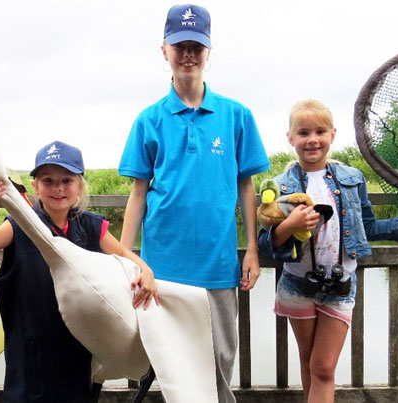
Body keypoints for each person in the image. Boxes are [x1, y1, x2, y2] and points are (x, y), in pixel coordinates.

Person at [118, 4, 270, 402]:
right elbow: (137, 194)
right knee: (170, 367)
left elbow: (247, 186)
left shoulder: (237, 116)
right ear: (164, 49)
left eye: (196, 47)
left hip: (218, 266)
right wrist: (127, 258)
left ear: (208, 52)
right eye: (180, 46)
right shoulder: (148, 120)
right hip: (161, 269)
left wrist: (251, 249)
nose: (188, 55)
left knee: (219, 362)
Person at [258, 99, 398, 402]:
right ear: (290, 138)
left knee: (323, 367)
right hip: (297, 286)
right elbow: (265, 245)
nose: (312, 139)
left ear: (333, 134)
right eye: (303, 133)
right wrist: (290, 225)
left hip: (340, 286)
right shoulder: (278, 186)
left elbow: (368, 228)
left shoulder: (351, 179)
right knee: (308, 363)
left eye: (319, 131)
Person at [0, 140, 158, 403]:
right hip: (31, 355)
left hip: (79, 353)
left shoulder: (93, 227)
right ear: (35, 185)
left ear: (80, 185)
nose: (58, 188)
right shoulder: (20, 226)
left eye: (67, 180)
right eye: (48, 180)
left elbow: (126, 258)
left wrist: (147, 273)